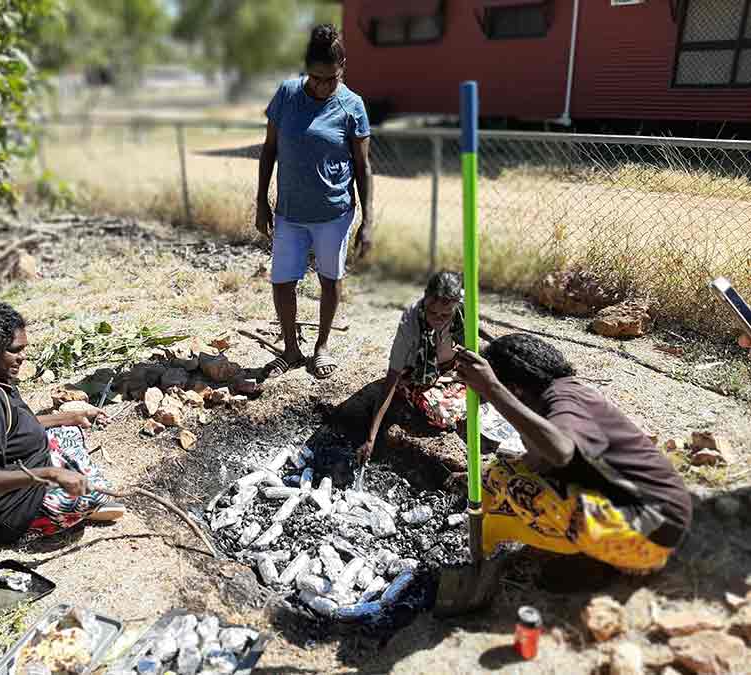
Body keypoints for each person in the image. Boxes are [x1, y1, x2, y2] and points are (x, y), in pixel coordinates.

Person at [453, 333, 692, 574]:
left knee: (520, 490)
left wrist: (492, 388)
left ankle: (605, 561)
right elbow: (543, 459)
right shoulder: (558, 392)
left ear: (515, 389)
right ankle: (481, 536)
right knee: (499, 470)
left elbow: (562, 452)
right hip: (631, 504)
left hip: (650, 534)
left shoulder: (564, 402)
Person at [0, 303, 125, 548]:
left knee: (67, 432)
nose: (23, 356)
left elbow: (15, 426)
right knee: (94, 494)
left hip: (18, 468)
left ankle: (69, 488)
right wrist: (50, 474)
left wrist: (69, 418)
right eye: (14, 350)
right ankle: (31, 527)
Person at [255, 23, 373, 380]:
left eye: (330, 78)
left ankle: (321, 346)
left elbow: (363, 166)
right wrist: (261, 200)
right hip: (290, 211)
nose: (322, 86)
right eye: (316, 78)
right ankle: (290, 349)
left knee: (329, 279)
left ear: (343, 67)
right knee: (282, 280)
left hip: (333, 213)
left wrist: (367, 222)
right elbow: (269, 150)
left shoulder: (352, 105)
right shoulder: (287, 95)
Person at [357, 271, 492, 463]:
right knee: (441, 415)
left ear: (456, 305)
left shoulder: (461, 308)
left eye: (445, 314)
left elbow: (472, 326)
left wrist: (492, 342)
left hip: (450, 365)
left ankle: (456, 389)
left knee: (495, 369)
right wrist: (370, 439)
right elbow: (392, 379)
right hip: (418, 375)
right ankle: (446, 394)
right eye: (432, 312)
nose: (438, 318)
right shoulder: (410, 322)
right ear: (425, 297)